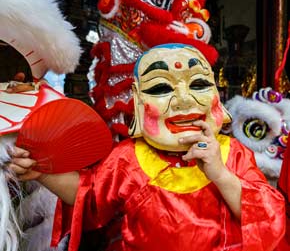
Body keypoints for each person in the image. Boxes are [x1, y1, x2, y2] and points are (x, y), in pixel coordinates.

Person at [8, 44, 285, 251]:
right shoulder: (128, 157)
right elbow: (89, 199)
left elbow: (269, 219)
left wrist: (221, 173)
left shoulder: (233, 152)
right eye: (162, 88)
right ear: (139, 101)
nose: (183, 100)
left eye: (198, 84)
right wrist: (40, 172)